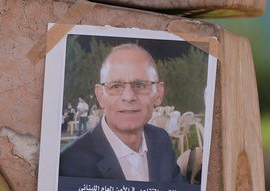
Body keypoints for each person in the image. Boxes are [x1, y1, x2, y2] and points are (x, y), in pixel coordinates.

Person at [60, 44, 184, 183]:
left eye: (139, 85)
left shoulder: (161, 140)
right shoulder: (69, 164)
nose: (129, 96)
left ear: (158, 94)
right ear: (101, 96)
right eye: (116, 86)